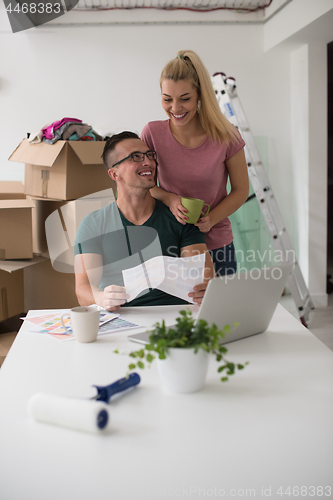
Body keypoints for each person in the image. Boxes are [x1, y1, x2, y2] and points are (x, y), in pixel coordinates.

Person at [74, 131, 215, 312]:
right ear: (114, 174)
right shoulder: (93, 224)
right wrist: (101, 298)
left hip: (172, 319)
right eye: (136, 157)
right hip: (119, 318)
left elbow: (202, 276)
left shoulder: (180, 218)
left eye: (149, 155)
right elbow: (82, 290)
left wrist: (205, 288)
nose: (148, 162)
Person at [141, 50, 249, 276]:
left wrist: (211, 219)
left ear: (200, 95)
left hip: (216, 244)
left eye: (185, 99)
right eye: (167, 99)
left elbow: (240, 191)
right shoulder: (152, 133)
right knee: (173, 312)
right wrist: (170, 199)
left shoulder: (227, 136)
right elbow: (144, 185)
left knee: (218, 311)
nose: (175, 109)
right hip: (169, 242)